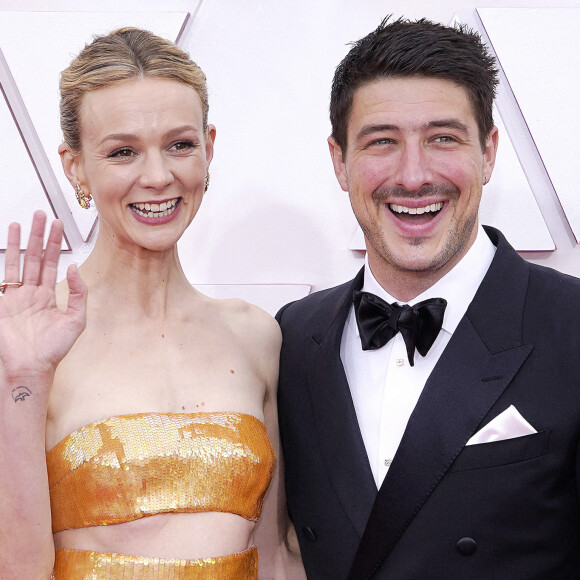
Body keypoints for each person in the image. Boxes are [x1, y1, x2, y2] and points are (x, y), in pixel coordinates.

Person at [276, 16, 580, 579]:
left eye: (443, 138)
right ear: (339, 161)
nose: (413, 176)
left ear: (488, 152)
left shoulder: (573, 326)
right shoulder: (292, 336)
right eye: (382, 142)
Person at [0, 27, 304, 579]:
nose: (159, 176)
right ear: (75, 166)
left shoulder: (255, 336)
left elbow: (274, 556)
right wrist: (20, 378)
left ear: (209, 147)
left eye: (180, 145)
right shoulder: (29, 338)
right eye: (123, 152)